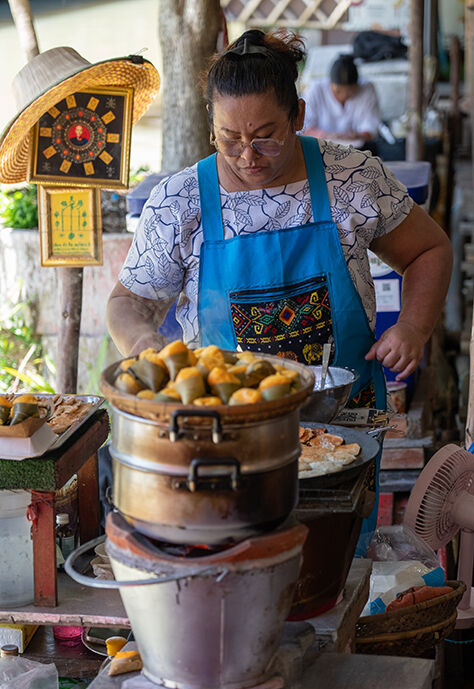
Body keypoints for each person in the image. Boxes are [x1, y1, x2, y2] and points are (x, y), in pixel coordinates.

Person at [107, 29, 452, 551]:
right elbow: (129, 303)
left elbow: (430, 251)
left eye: (265, 135)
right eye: (229, 138)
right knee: (234, 562)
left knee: (336, 564)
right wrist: (142, 347)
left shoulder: (351, 177)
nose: (248, 155)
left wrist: (413, 324)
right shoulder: (180, 201)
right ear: (210, 127)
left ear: (297, 113)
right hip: (225, 435)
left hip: (342, 425)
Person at [302, 54, 380, 146]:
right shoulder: (315, 89)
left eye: (349, 92)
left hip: (356, 148)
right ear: (330, 83)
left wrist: (356, 136)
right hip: (320, 146)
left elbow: (371, 128)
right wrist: (327, 136)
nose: (343, 96)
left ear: (357, 86)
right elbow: (304, 128)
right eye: (338, 91)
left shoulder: (366, 88)